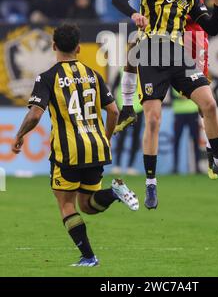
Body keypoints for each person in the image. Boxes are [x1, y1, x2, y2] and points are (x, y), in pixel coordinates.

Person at [112, 0, 218, 209]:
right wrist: (135, 14)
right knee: (153, 120)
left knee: (209, 103)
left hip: (177, 54)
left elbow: (212, 28)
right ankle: (151, 184)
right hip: (150, 52)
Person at [12, 23, 139, 267]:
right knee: (87, 205)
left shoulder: (48, 77)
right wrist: (106, 136)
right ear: (79, 48)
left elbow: (35, 115)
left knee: (67, 204)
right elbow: (113, 111)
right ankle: (113, 193)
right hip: (96, 147)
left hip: (68, 152)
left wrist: (19, 136)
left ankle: (89, 257)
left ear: (53, 46)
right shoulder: (93, 74)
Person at [113, 0, 214, 177]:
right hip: (159, 18)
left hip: (187, 13)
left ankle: (214, 152)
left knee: (203, 80)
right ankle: (126, 107)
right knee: (135, 47)